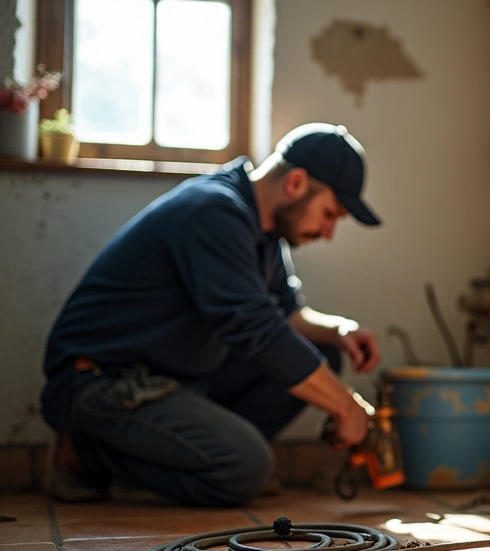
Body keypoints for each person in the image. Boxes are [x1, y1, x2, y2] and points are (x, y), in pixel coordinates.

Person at [39, 123, 384, 507]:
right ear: (297, 183)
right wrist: (346, 407)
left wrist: (340, 331)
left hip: (174, 377)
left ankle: (191, 460)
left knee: (325, 354)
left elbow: (286, 316)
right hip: (104, 381)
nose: (329, 232)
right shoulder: (214, 212)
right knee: (244, 469)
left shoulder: (263, 231)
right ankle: (86, 453)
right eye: (330, 213)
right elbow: (257, 328)